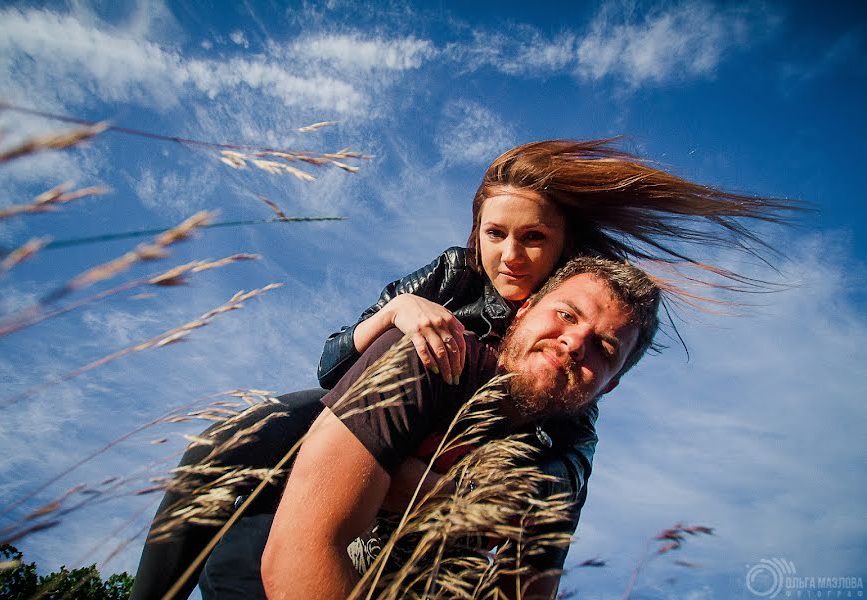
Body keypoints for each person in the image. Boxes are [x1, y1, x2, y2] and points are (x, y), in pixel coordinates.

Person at [130, 139, 796, 600]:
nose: (511, 254)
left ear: (563, 249)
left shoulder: (571, 384)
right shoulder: (450, 280)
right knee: (227, 446)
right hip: (355, 406)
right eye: (496, 234)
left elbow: (555, 495)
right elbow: (335, 362)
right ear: (476, 232)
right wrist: (399, 314)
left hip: (456, 455)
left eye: (534, 239)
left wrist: (451, 495)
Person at [259, 256, 660, 599]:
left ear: (609, 384)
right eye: (566, 315)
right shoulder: (426, 355)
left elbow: (527, 590)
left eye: (604, 348)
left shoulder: (560, 467)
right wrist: (462, 498)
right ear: (524, 309)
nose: (574, 342)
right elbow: (302, 547)